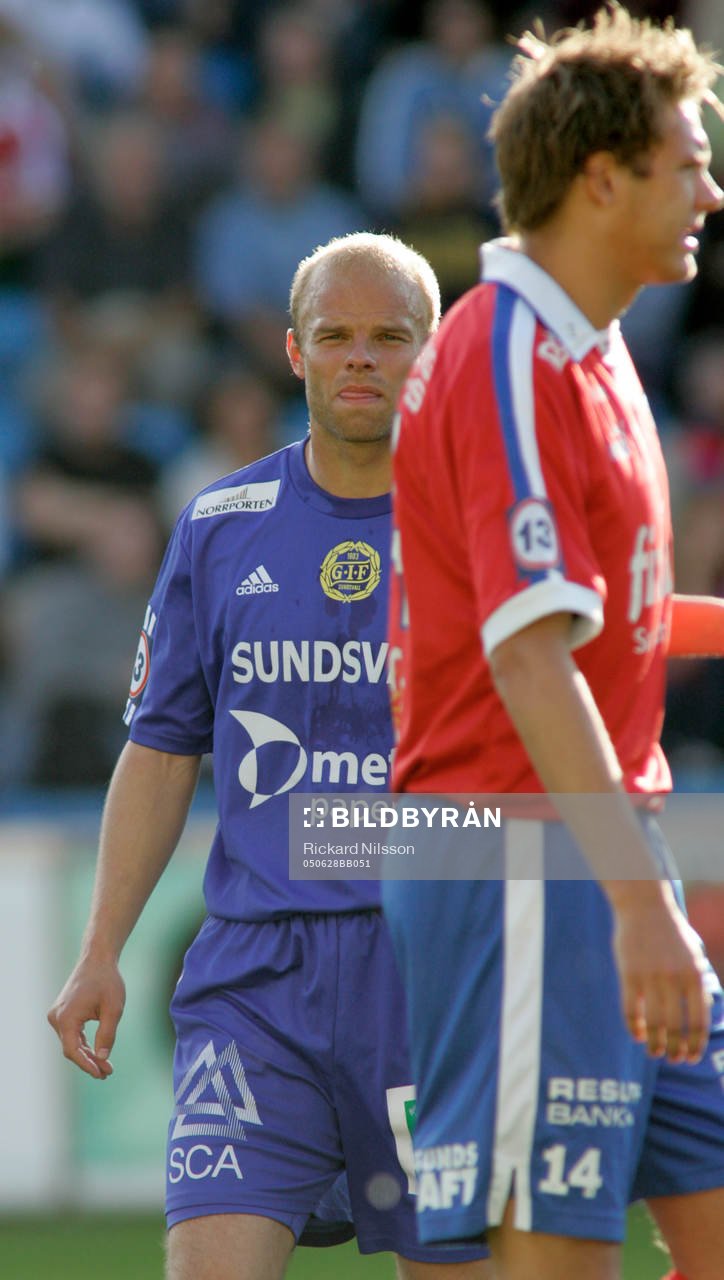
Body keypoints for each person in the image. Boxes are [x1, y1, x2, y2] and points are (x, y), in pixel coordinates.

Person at [47, 232, 492, 1280]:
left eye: (391, 337)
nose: (360, 358)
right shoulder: (219, 523)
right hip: (256, 981)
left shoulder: (487, 529)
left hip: (432, 976)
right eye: (334, 335)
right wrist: (102, 942)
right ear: (293, 351)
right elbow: (161, 750)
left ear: (432, 353)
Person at [382, 8, 724, 1280]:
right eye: (687, 161)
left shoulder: (588, 352)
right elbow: (527, 658)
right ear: (600, 177)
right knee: (552, 1262)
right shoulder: (513, 352)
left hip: (590, 852)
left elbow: (593, 620)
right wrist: (641, 905)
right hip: (526, 854)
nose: (711, 188)